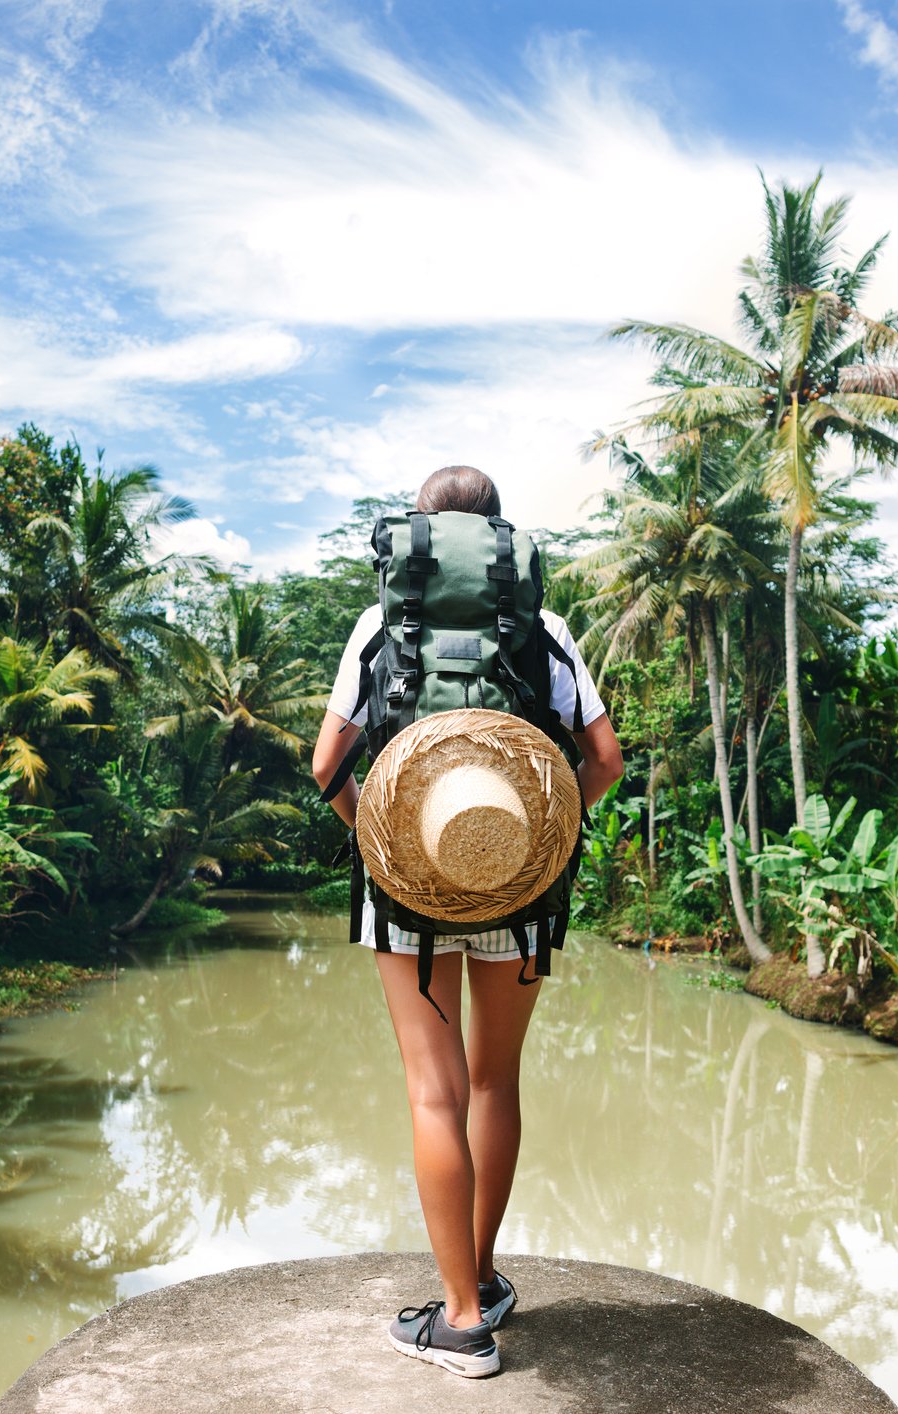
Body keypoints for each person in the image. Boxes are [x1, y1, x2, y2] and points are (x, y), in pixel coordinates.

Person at [311, 465, 624, 1377]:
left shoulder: (382, 623)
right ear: (497, 544)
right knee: (494, 1083)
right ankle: (481, 1281)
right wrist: (549, 833)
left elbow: (328, 759)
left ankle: (457, 1324)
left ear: (420, 535)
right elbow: (602, 758)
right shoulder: (543, 627)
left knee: (432, 1092)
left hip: (406, 890)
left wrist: (381, 830)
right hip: (519, 880)